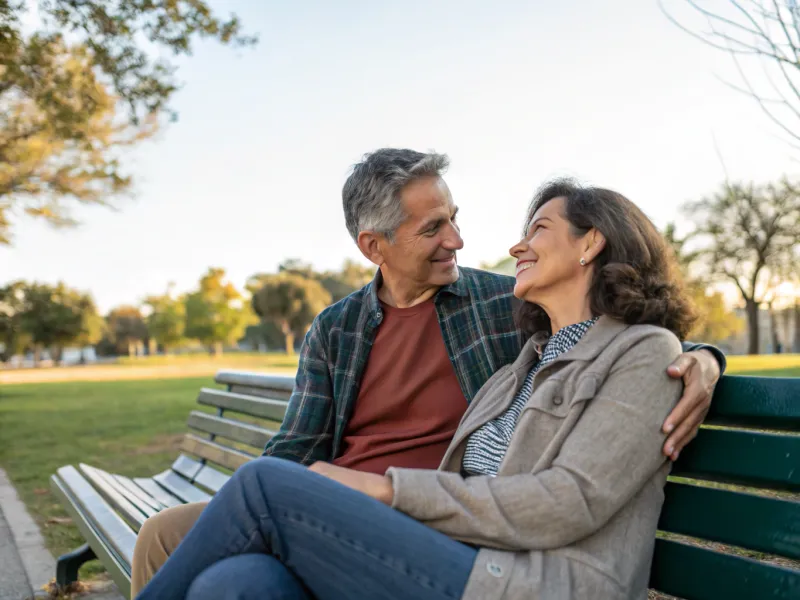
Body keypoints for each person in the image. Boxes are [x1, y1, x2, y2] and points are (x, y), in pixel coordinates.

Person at [131, 151, 725, 596]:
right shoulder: (509, 359)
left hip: (486, 557)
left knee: (260, 486)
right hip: (404, 527)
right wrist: (318, 502)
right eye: (432, 229)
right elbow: (296, 448)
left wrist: (701, 358)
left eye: (454, 219)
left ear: (590, 244)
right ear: (375, 245)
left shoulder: (506, 309)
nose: (460, 241)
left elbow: (633, 339)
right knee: (232, 581)